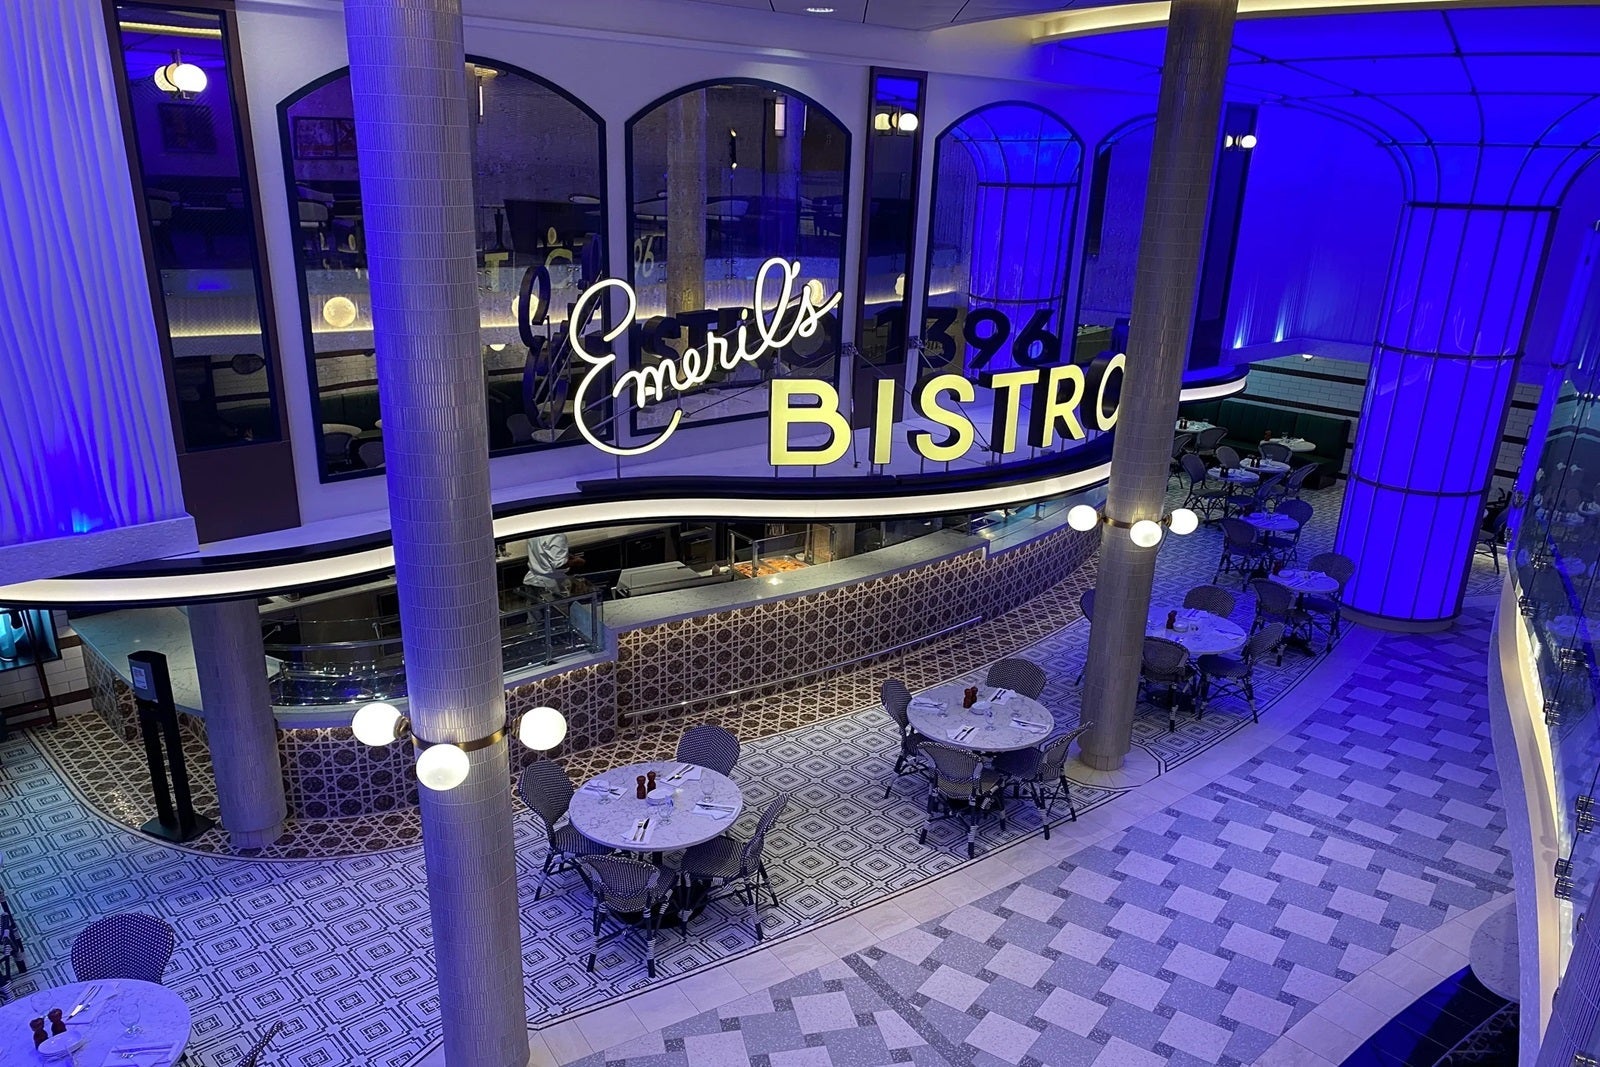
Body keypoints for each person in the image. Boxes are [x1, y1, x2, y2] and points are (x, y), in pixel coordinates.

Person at [524, 533, 583, 602]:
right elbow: (560, 564)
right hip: (548, 587)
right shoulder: (557, 536)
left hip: (532, 581)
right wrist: (577, 561)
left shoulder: (536, 531)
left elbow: (544, 552)